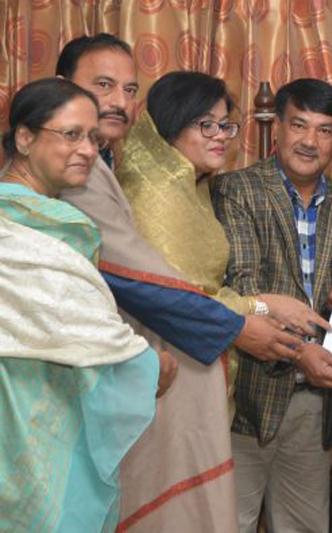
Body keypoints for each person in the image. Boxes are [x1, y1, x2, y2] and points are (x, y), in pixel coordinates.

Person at [56, 35, 303, 531]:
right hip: (128, 364)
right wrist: (243, 321)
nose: (119, 102)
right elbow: (146, 282)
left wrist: (251, 310)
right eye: (103, 85)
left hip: (158, 358)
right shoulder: (74, 168)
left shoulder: (106, 163)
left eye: (129, 89)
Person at [0, 77, 162, 531]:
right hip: (20, 421)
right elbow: (99, 336)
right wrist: (148, 363)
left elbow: (79, 327)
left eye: (93, 137)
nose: (88, 150)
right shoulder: (13, 226)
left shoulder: (66, 224)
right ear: (25, 138)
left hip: (60, 414)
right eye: (71, 134)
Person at [212, 78, 332, 533]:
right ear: (277, 127)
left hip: (314, 403)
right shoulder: (234, 190)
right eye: (299, 124)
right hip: (244, 397)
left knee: (304, 526)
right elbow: (241, 286)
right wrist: (302, 352)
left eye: (324, 130)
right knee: (227, 523)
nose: (309, 140)